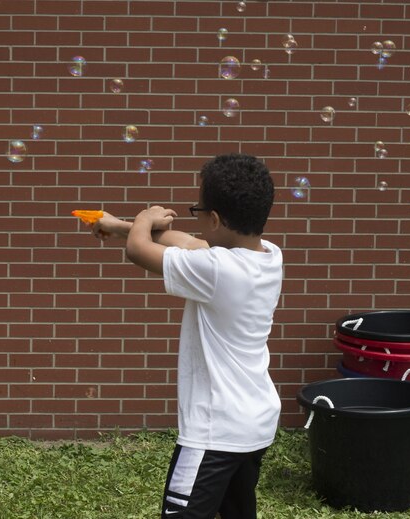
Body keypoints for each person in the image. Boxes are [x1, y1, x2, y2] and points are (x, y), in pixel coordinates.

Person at [90, 154, 282, 519]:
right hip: (254, 424)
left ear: (214, 218)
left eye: (200, 212)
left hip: (214, 433)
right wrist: (119, 225)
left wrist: (145, 219)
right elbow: (190, 243)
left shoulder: (219, 270)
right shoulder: (269, 255)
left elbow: (139, 250)